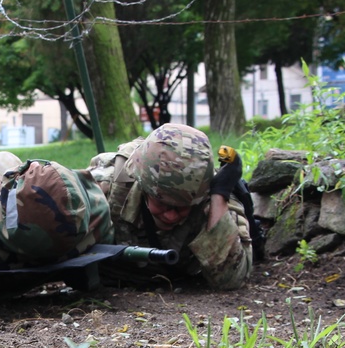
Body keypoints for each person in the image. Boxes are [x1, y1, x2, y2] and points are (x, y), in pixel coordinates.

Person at [86, 123, 253, 290]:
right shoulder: (104, 186)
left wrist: (219, 197)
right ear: (144, 187)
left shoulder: (212, 200)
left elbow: (232, 279)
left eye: (181, 207)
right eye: (162, 203)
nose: (171, 216)